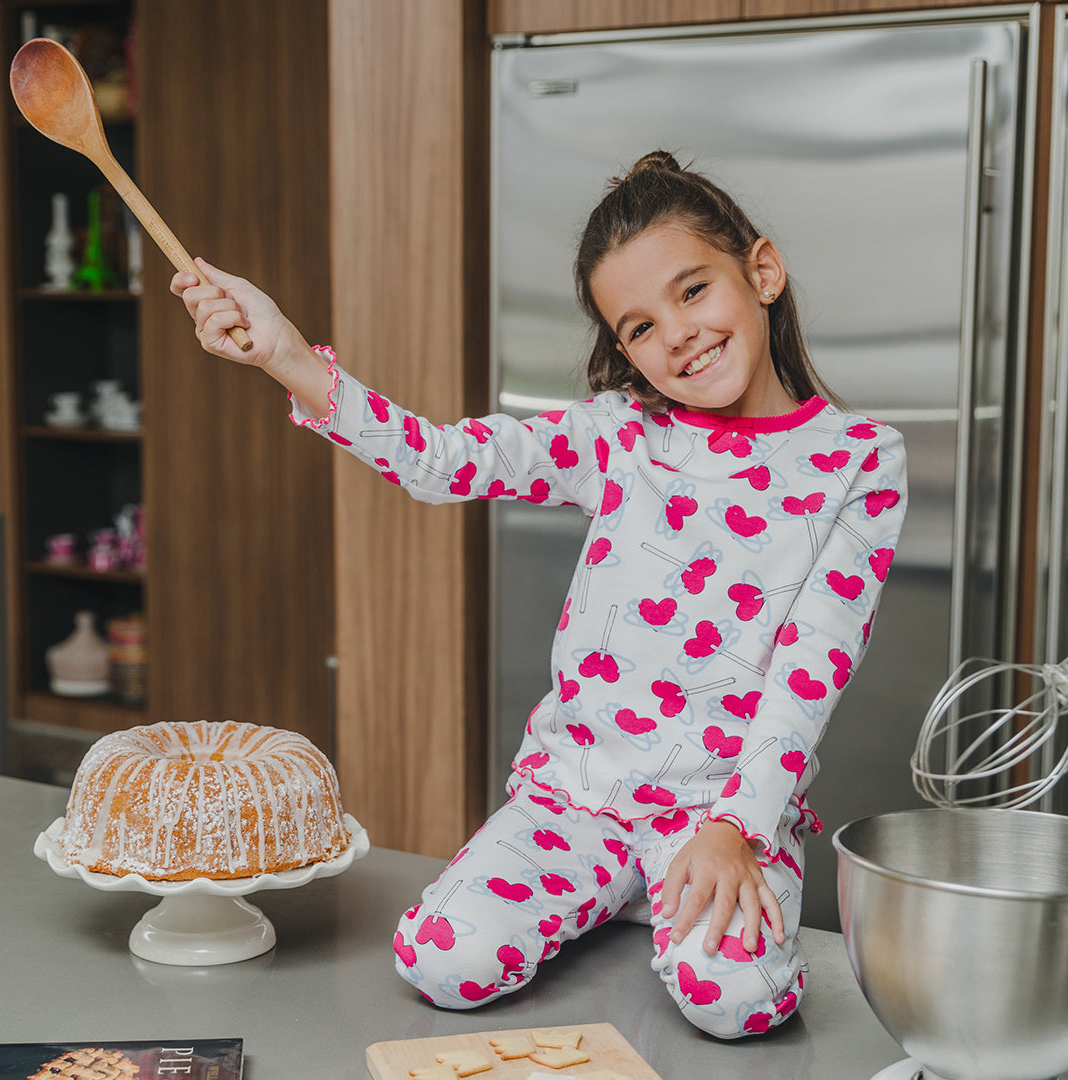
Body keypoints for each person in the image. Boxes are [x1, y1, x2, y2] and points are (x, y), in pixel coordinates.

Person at [172, 150, 906, 1039]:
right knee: (441, 961)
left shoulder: (862, 461)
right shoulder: (619, 436)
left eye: (693, 291)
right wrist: (286, 354)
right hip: (577, 795)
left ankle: (661, 899)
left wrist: (739, 830)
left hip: (717, 815)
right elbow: (443, 461)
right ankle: (611, 894)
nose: (675, 335)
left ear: (761, 272)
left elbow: (810, 671)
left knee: (739, 1005)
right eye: (637, 327)